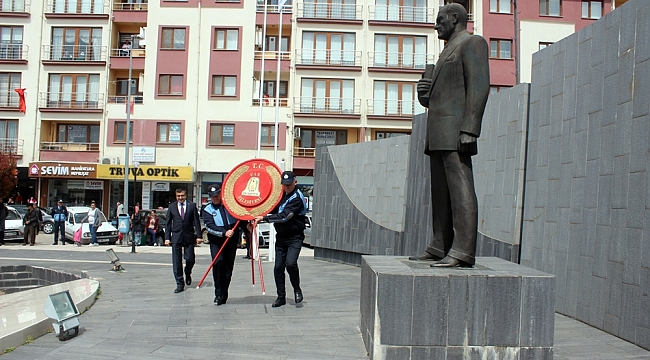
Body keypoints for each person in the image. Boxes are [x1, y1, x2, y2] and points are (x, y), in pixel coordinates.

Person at [408, 3, 489, 268]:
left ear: (455, 18)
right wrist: (425, 94)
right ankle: (440, 245)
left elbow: (479, 87)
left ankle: (463, 250)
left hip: (456, 131)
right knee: (440, 193)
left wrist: (470, 128)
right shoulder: (446, 52)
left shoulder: (472, 43)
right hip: (439, 132)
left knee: (460, 189)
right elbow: (439, 97)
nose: (436, 24)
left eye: (440, 19)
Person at [254, 171, 307, 308]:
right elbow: (270, 206)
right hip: (281, 237)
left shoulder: (297, 198)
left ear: (295, 182)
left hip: (295, 237)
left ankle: (296, 289)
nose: (287, 187)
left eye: (289, 185)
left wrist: (264, 219)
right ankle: (281, 296)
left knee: (290, 264)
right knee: (278, 267)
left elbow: (285, 216)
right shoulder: (281, 195)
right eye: (284, 185)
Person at [202, 184, 250, 305]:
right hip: (217, 241)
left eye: (217, 196)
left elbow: (241, 219)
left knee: (228, 268)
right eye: (213, 197)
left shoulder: (230, 206)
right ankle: (218, 293)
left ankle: (224, 292)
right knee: (218, 263)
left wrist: (247, 227)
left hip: (231, 241)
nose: (215, 198)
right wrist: (223, 232)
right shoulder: (207, 209)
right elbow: (209, 226)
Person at [165, 188, 202, 293]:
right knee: (176, 261)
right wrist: (167, 238)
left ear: (186, 196)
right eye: (178, 196)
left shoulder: (191, 206)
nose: (180, 198)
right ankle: (180, 283)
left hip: (189, 236)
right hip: (176, 237)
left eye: (182, 196)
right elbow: (168, 223)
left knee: (190, 259)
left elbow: (196, 221)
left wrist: (199, 236)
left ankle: (188, 272)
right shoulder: (172, 206)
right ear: (176, 196)